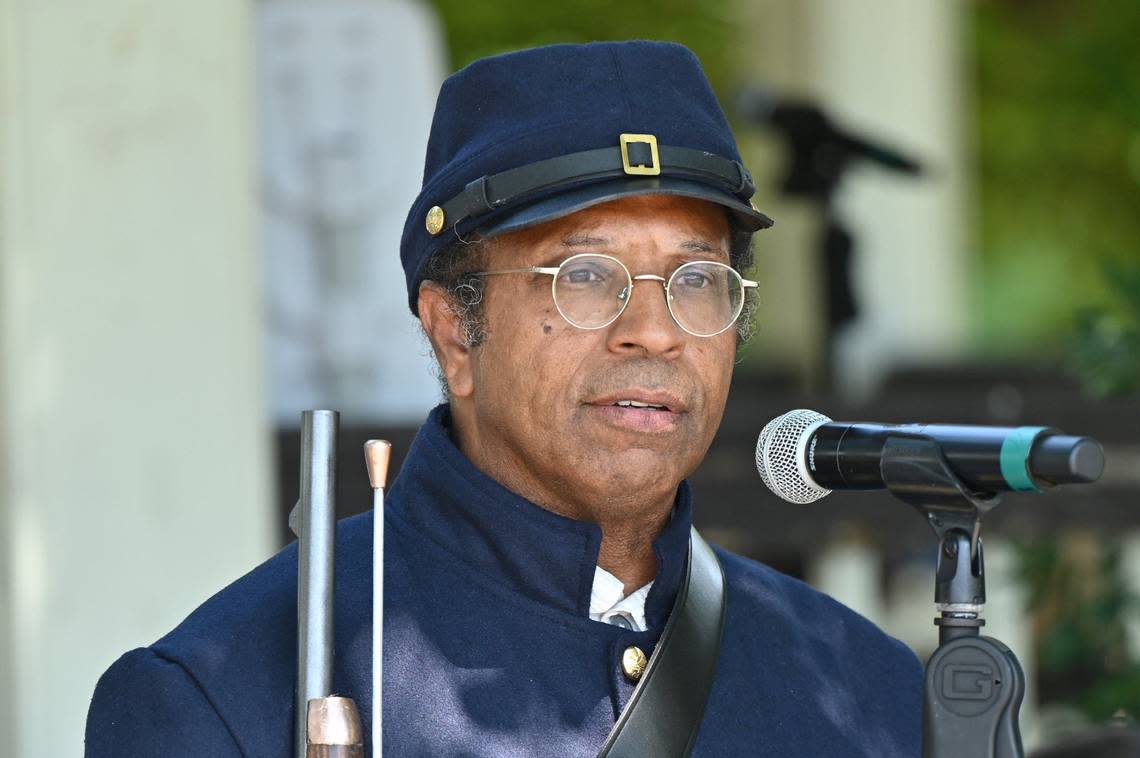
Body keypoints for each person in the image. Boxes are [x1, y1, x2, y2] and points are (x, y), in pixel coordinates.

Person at [85, 40, 922, 757]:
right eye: (586, 274)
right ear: (455, 333)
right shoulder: (226, 693)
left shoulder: (864, 685)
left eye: (697, 277)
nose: (655, 331)